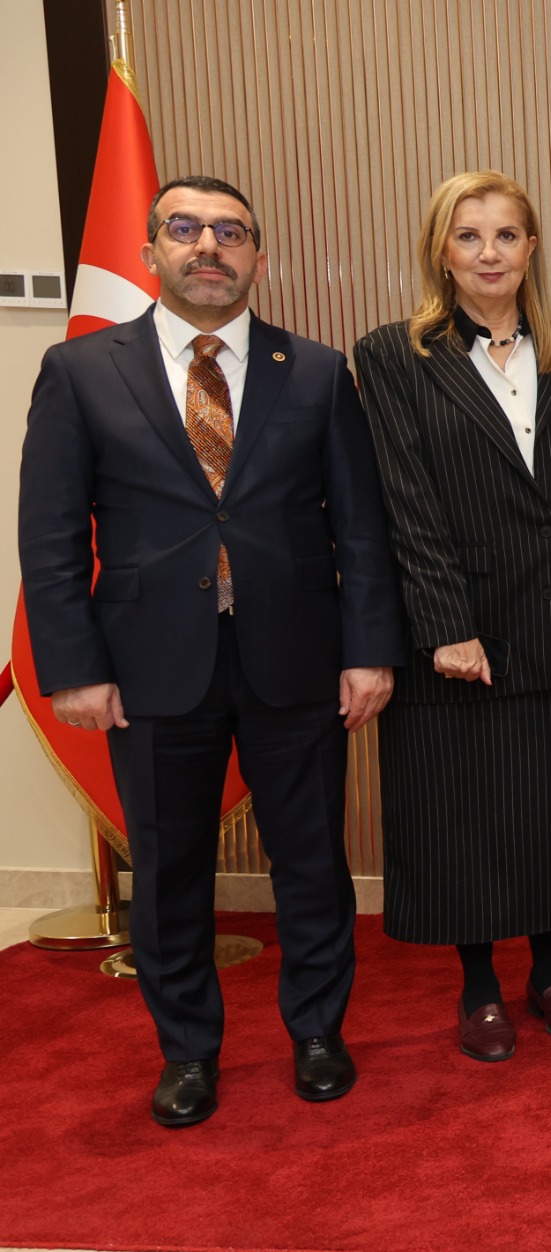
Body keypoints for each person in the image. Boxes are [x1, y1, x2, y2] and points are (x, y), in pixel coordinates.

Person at [18, 175, 401, 1127]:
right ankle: (188, 1051)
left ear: (258, 257)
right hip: (150, 665)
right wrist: (74, 665)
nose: (208, 247)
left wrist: (370, 650)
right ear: (150, 250)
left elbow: (360, 528)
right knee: (169, 869)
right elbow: (51, 533)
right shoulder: (82, 371)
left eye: (230, 233)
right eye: (184, 228)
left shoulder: (316, 371)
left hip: (297, 657)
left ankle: (317, 1032)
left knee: (310, 861)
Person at [354, 171, 551, 1062]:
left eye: (506, 236)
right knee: (461, 818)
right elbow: (405, 503)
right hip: (457, 631)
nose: (489, 253)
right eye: (468, 236)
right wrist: (444, 626)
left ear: (531, 248)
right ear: (442, 251)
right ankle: (479, 988)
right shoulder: (393, 355)